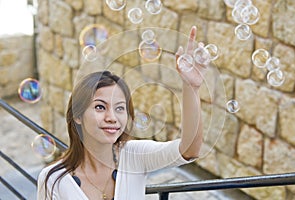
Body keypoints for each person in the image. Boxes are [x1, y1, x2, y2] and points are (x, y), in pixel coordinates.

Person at [37, 26, 206, 200]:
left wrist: (191, 86)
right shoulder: (52, 180)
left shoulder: (134, 156)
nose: (112, 118)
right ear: (78, 115)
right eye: (100, 107)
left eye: (119, 108)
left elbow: (189, 149)